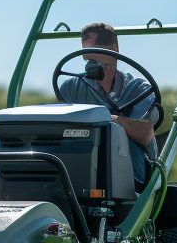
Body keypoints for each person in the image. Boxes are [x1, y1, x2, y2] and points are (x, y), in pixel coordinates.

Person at [57, 22, 158, 186]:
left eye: (95, 52)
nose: (89, 62)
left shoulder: (139, 89)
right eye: (86, 55)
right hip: (82, 174)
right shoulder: (71, 88)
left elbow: (145, 132)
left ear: (113, 49)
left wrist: (106, 118)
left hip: (132, 179)